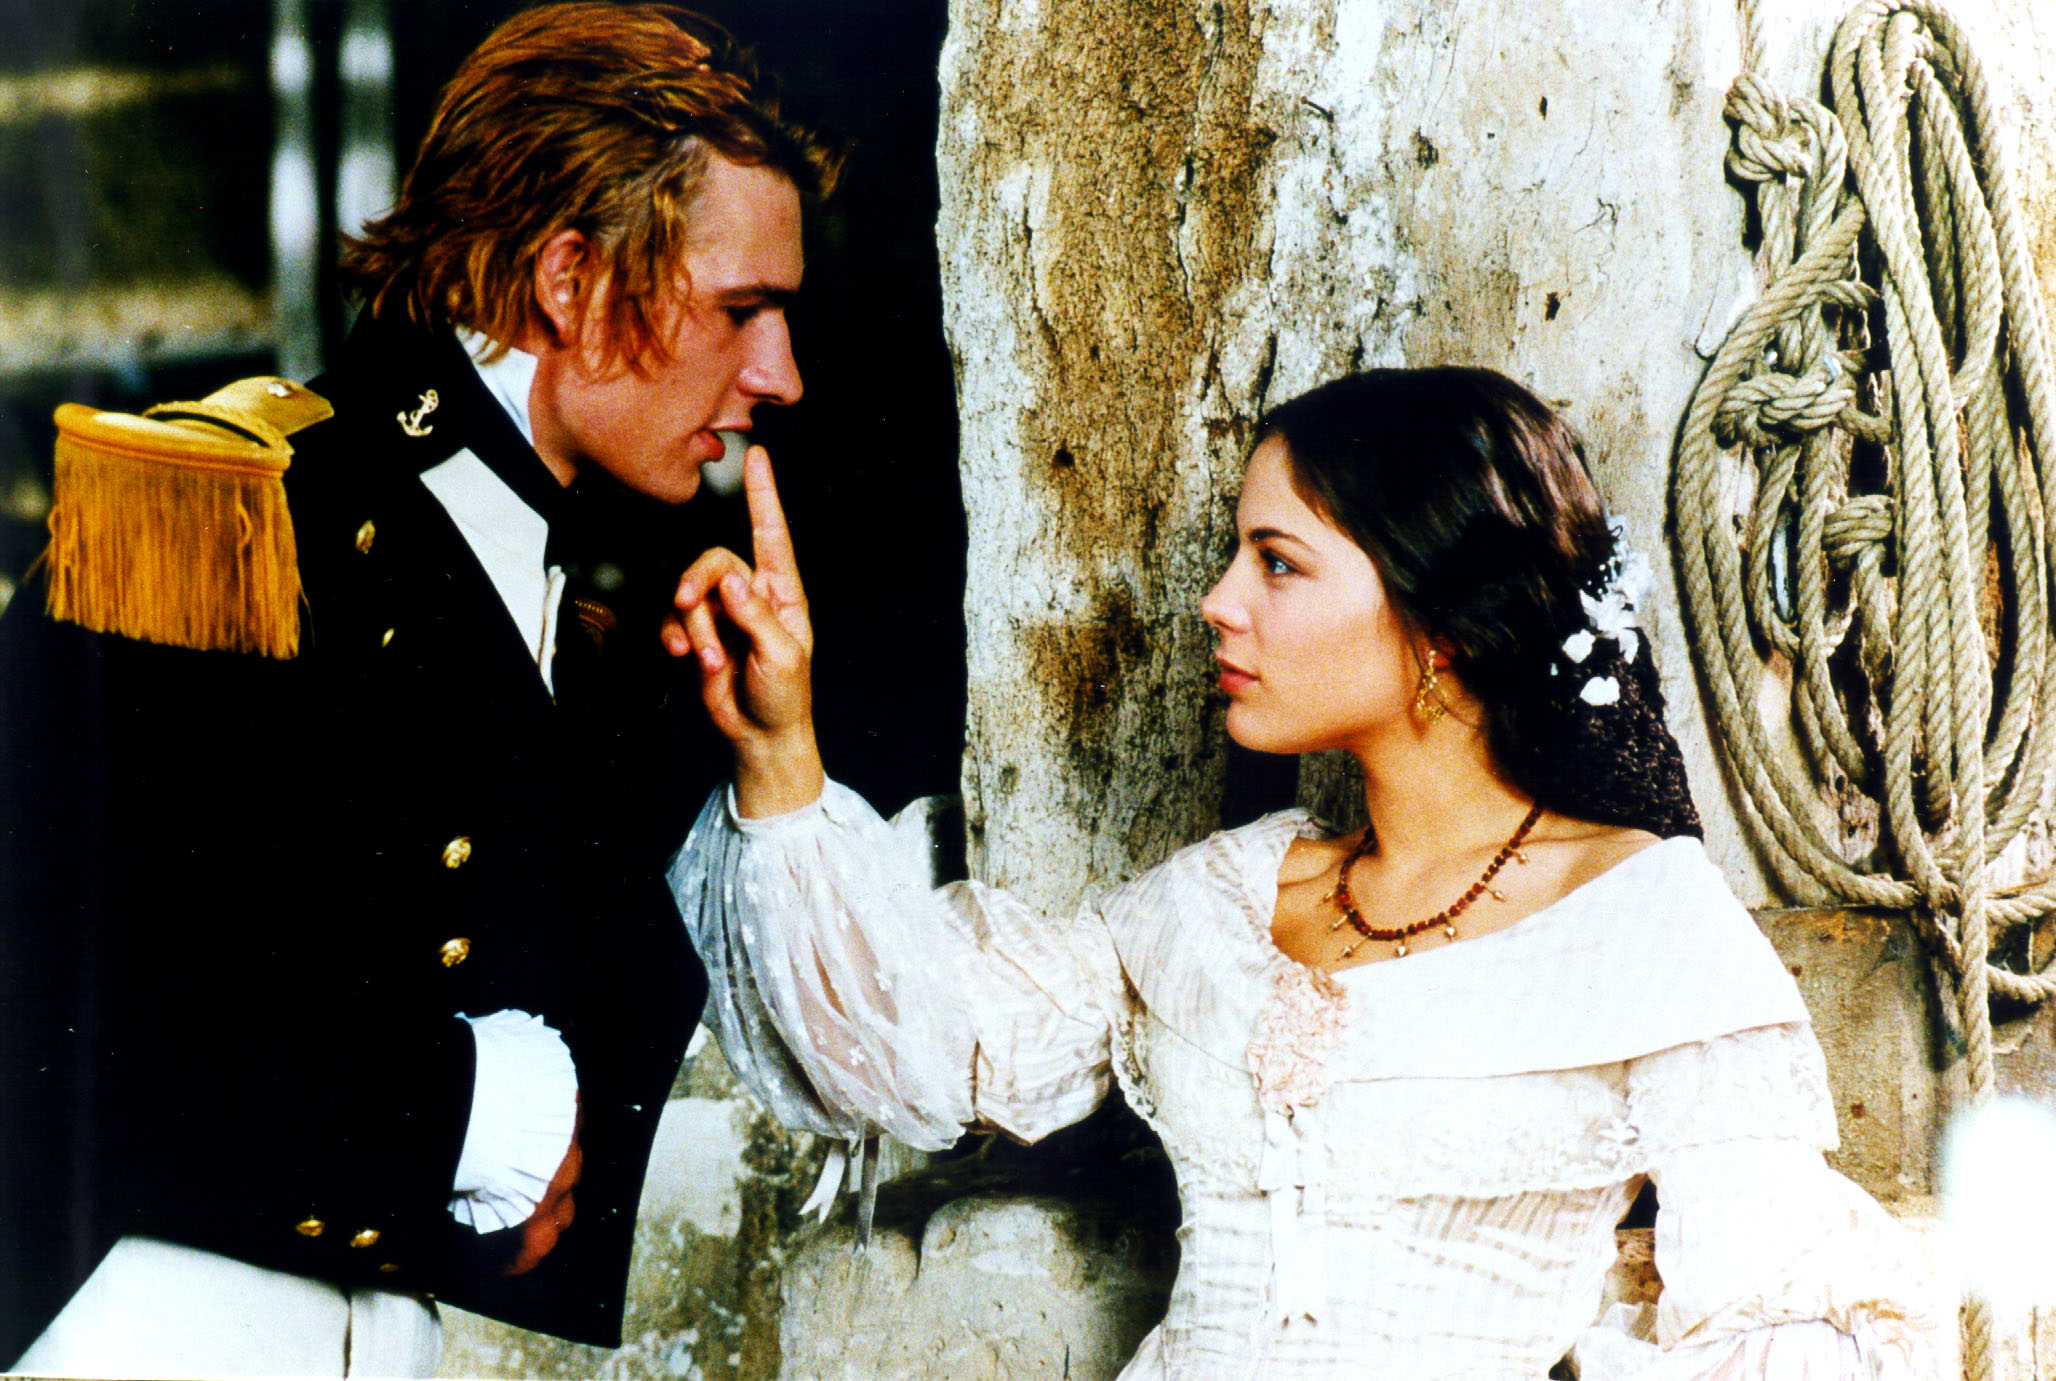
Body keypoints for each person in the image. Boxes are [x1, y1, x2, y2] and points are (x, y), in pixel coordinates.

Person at [665, 368, 1943, 1377]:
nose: (1220, 602)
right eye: (1239, 556)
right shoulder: (1219, 902)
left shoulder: (1637, 919)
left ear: (1439, 627)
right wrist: (781, 751)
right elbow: (910, 1043)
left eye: (1277, 562)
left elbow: (1796, 1311)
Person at [0, 4, 839, 1374]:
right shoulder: (231, 517)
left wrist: (762, 746)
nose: (778, 375)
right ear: (570, 281)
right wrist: (454, 1111)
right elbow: (69, 993)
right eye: (742, 310)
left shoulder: (584, 608)